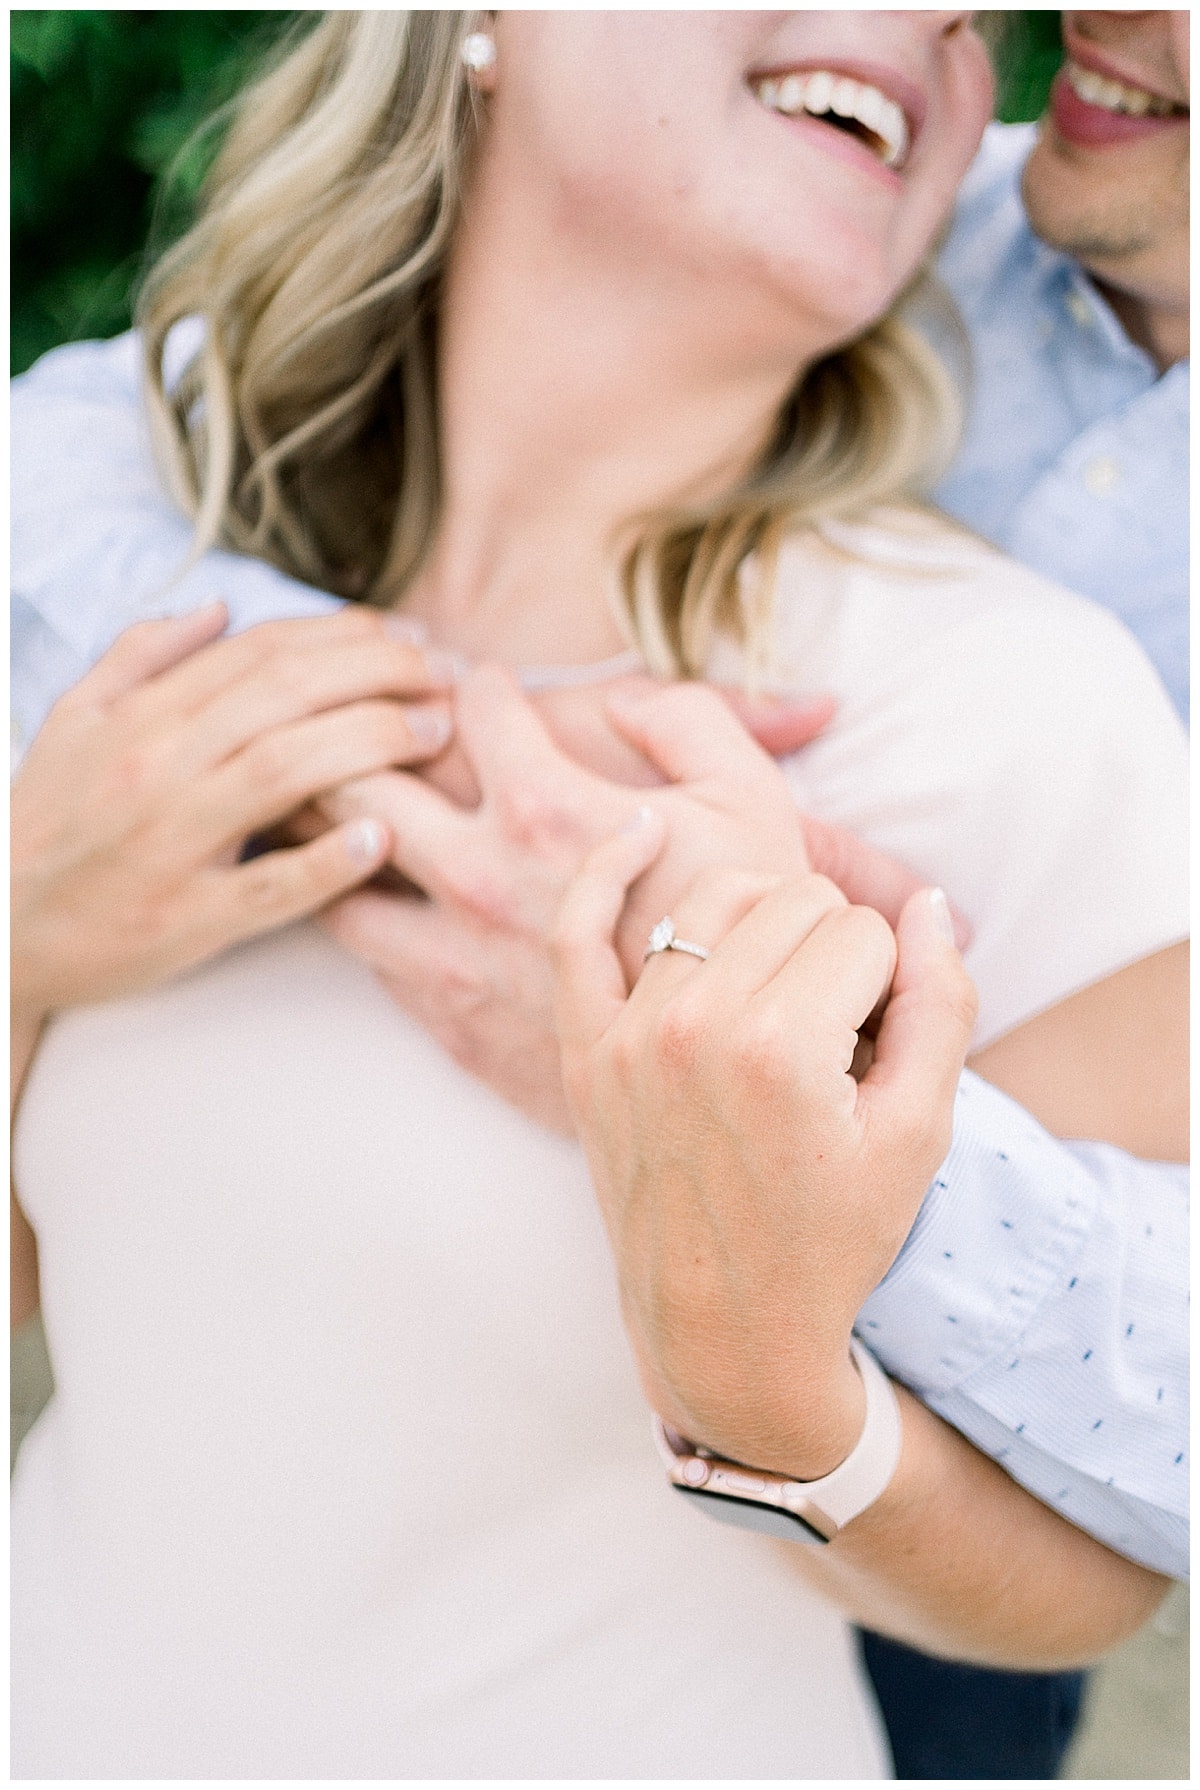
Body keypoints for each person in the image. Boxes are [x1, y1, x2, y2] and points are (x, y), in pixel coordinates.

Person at [9, 11, 1186, 1778]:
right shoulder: (146, 579)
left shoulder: (1008, 707)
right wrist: (20, 946)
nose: (950, 18)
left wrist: (775, 1381)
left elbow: (1107, 1568)